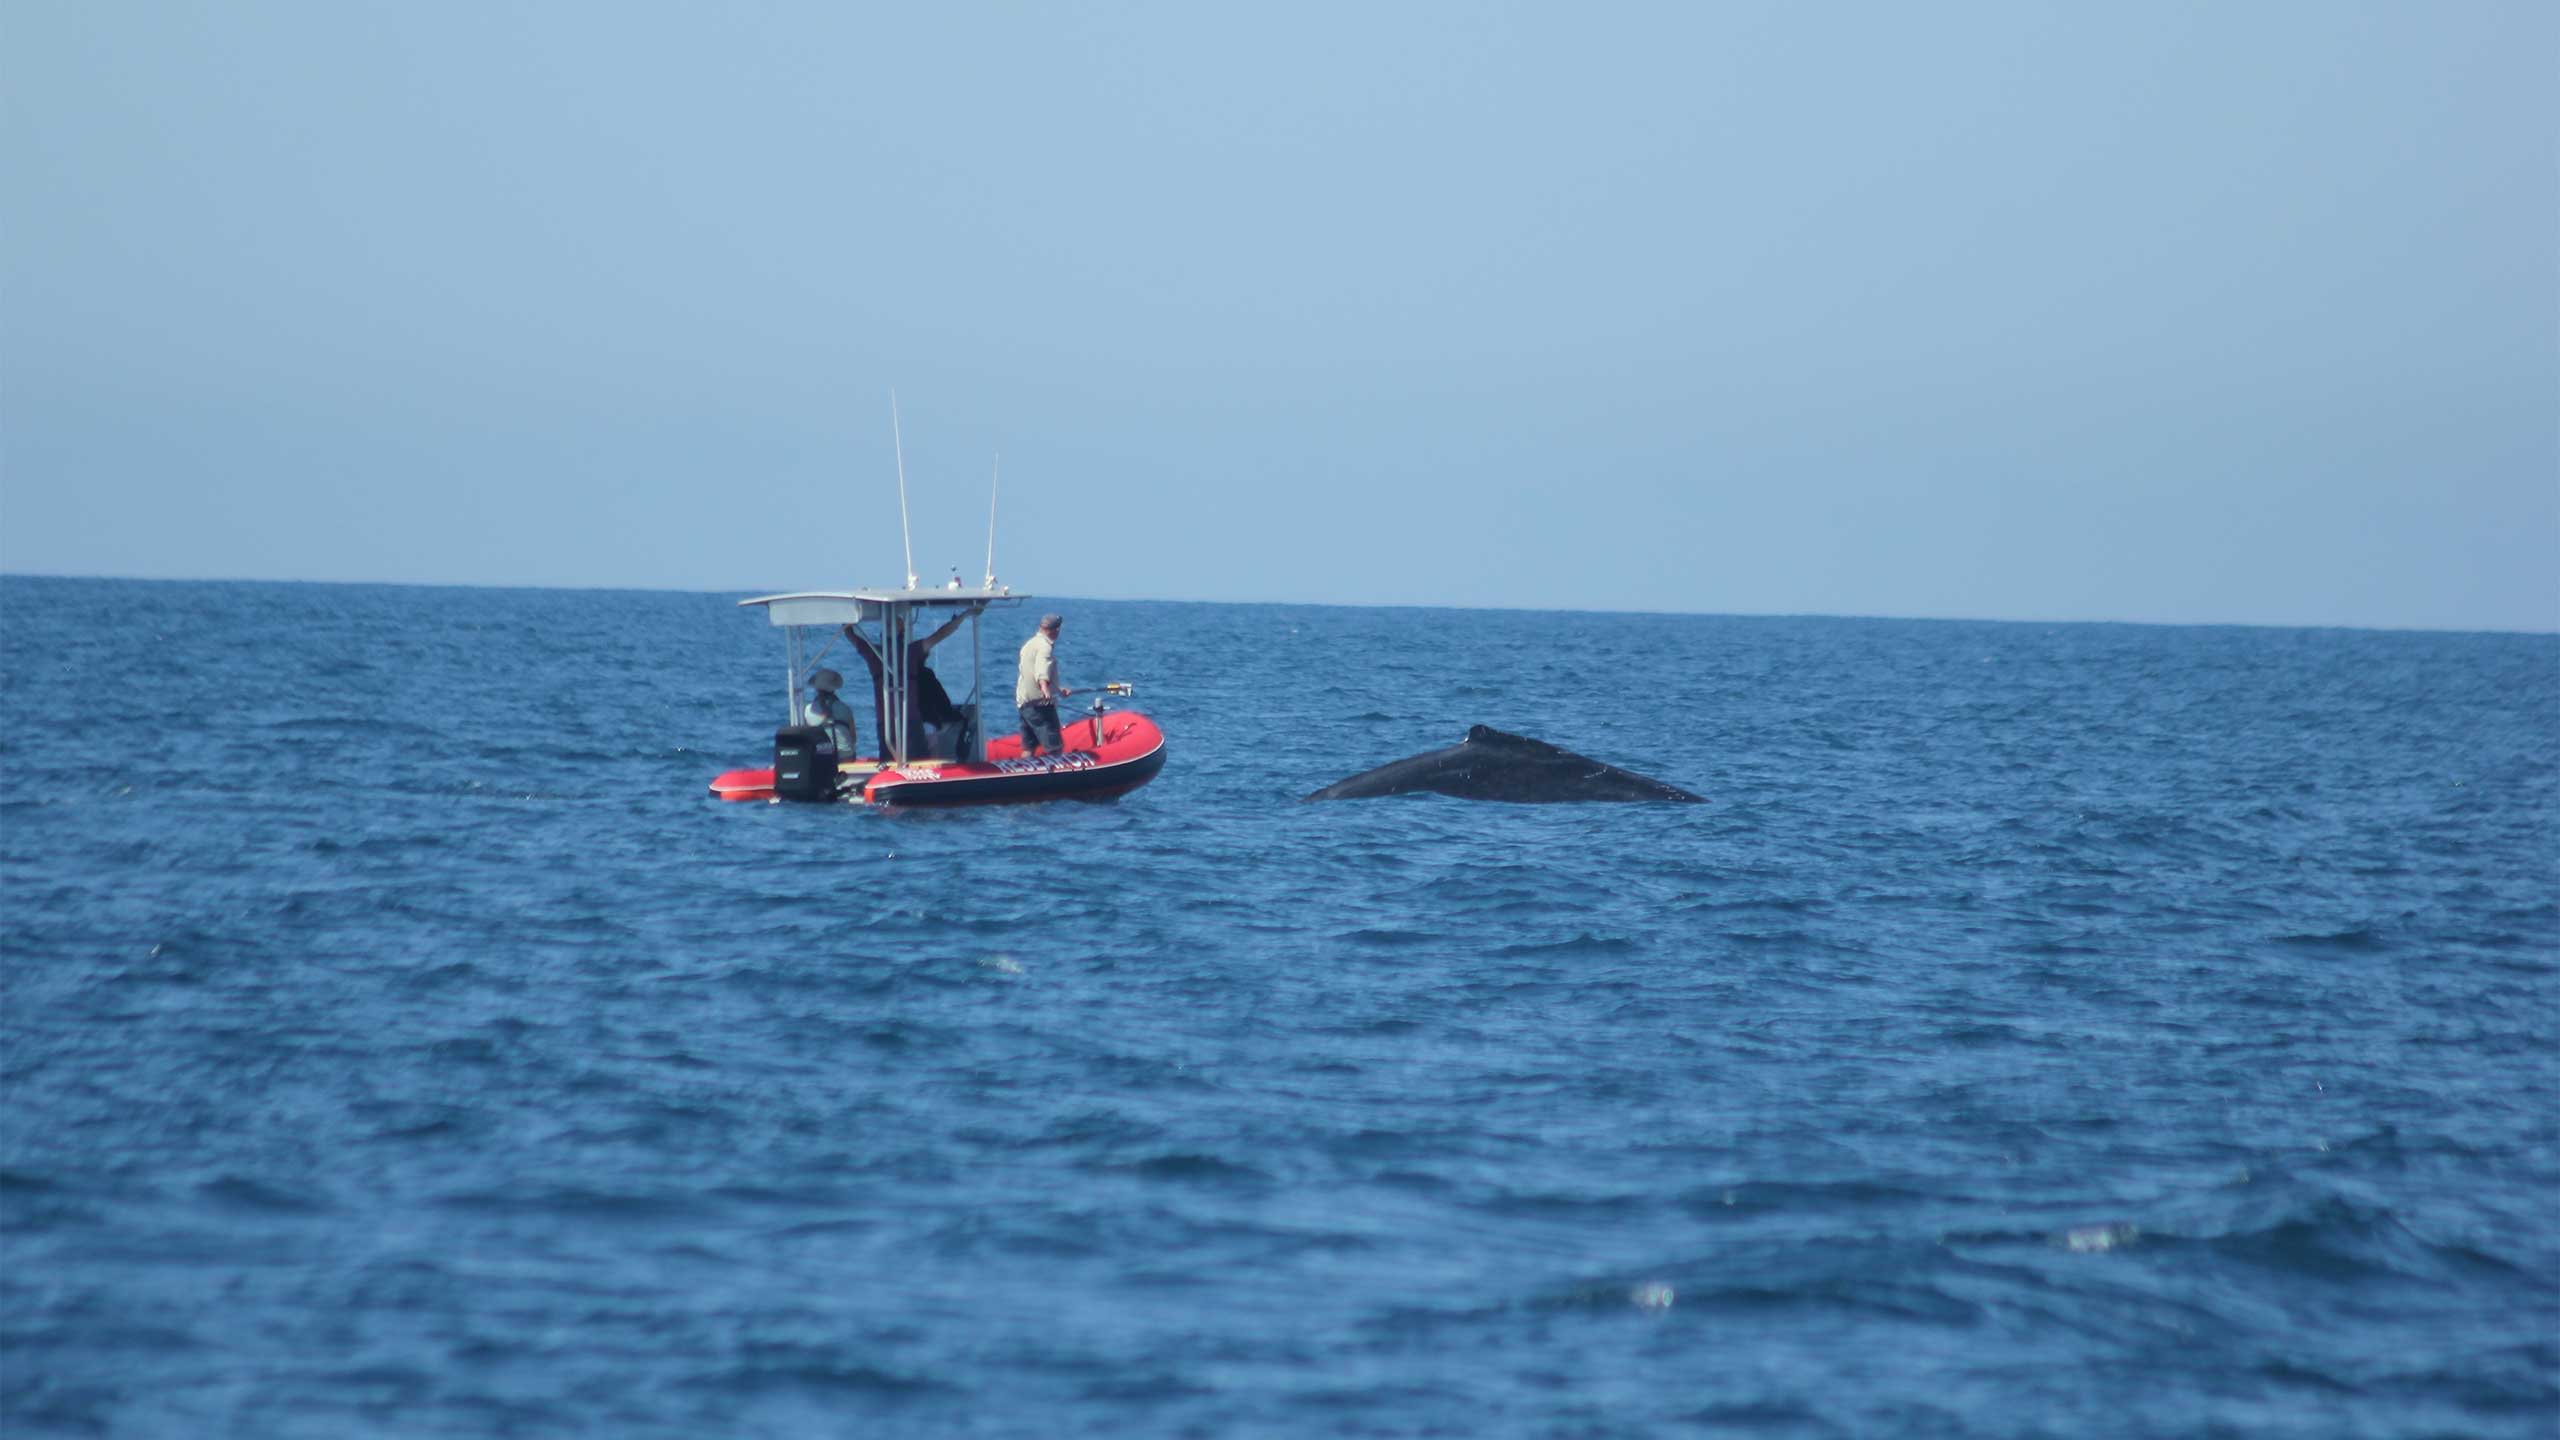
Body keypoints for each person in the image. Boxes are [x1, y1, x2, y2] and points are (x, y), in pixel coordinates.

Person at [843, 604, 982, 761]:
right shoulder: (911, 652)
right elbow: (940, 634)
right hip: (910, 721)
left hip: (884, 723)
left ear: (882, 635)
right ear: (902, 634)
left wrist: (850, 619)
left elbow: (849, 634)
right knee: (919, 762)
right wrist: (963, 616)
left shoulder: (873, 654)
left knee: (889, 761)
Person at [1015, 612, 1072, 755]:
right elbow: (1041, 671)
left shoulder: (1029, 644)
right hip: (1040, 706)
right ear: (1056, 630)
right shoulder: (1045, 647)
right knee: (1055, 748)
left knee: (1028, 748)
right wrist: (1045, 689)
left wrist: (1058, 690)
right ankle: (1056, 775)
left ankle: (1023, 775)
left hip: (1024, 705)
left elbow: (1028, 672)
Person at [801, 669, 860, 755]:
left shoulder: (808, 710)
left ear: (817, 689)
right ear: (834, 689)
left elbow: (806, 738)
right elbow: (853, 739)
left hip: (822, 758)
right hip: (846, 756)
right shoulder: (845, 709)